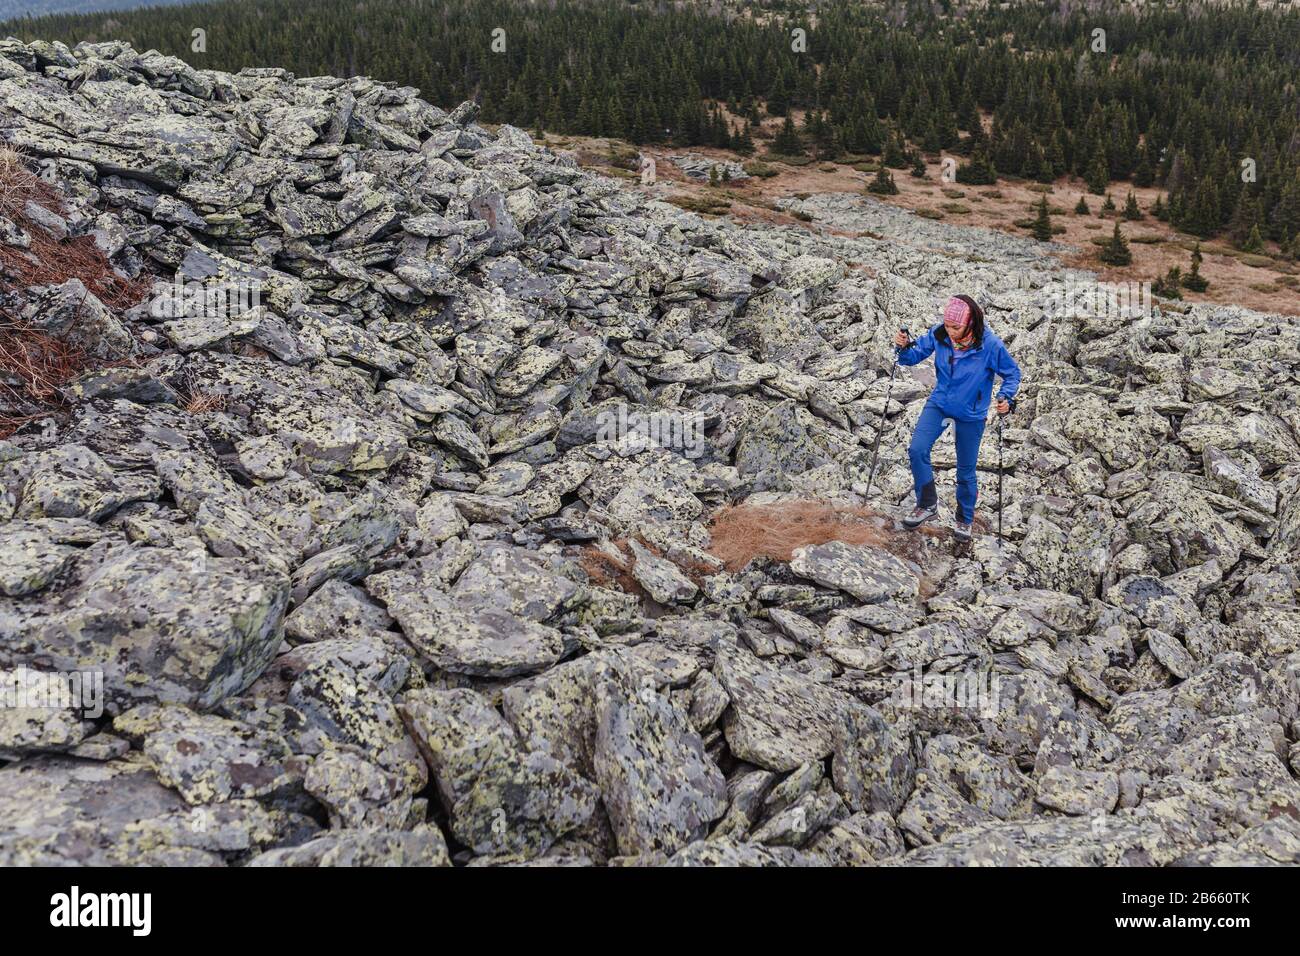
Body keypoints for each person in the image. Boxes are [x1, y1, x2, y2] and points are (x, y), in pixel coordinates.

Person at [892, 294, 1021, 542]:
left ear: (970, 323)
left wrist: (1006, 398)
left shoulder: (990, 345)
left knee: (965, 470)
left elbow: (1012, 373)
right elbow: (910, 357)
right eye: (948, 325)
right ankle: (927, 504)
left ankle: (964, 519)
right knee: (917, 449)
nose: (950, 332)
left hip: (971, 414)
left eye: (956, 327)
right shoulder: (940, 333)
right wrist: (903, 345)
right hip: (940, 403)